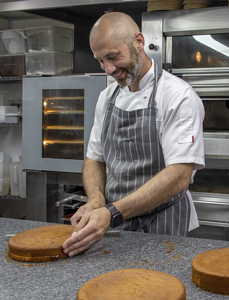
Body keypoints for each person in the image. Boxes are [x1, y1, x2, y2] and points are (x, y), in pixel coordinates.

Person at [62, 12, 205, 257]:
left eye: (113, 57)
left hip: (163, 223)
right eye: (100, 61)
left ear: (138, 41)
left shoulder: (177, 96)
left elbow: (179, 175)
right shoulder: (107, 97)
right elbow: (94, 158)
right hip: (115, 221)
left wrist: (112, 212)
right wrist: (96, 200)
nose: (109, 69)